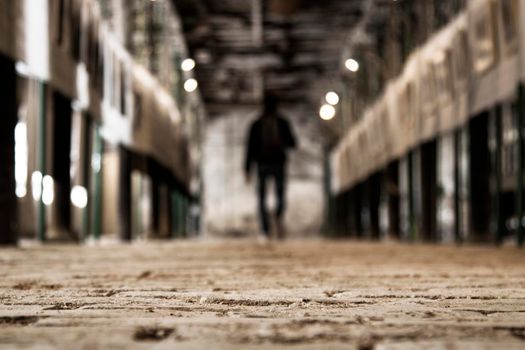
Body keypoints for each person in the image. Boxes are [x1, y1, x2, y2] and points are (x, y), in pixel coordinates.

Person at [244, 94, 297, 241]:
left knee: (263, 197)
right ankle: (274, 222)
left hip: (264, 163)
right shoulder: (282, 122)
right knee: (277, 194)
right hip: (275, 163)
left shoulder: (257, 124)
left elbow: (250, 148)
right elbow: (293, 143)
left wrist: (247, 169)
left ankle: (267, 228)